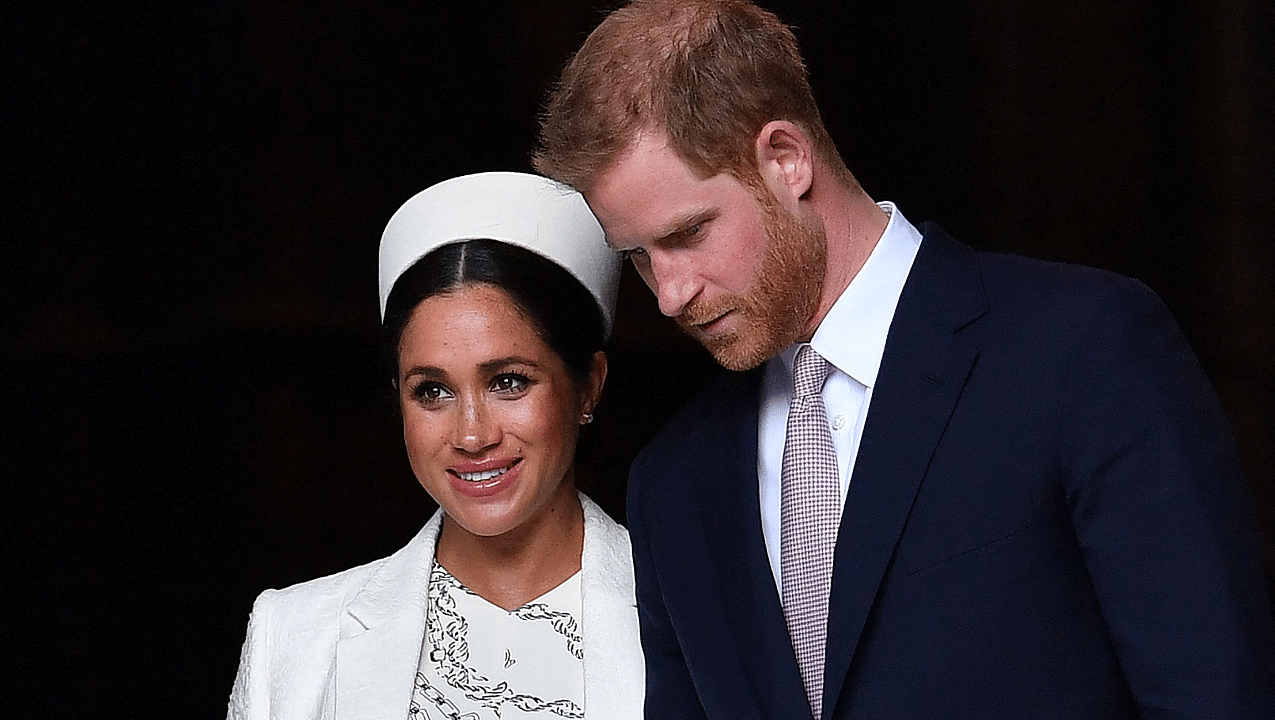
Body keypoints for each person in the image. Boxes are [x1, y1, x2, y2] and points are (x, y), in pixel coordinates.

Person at [532, 1, 1275, 718]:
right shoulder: (674, 482)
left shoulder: (1082, 352)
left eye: (689, 234)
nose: (667, 294)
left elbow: (1211, 696)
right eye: (637, 257)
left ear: (785, 158)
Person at [227, 172, 643, 720]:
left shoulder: (692, 618)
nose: (473, 435)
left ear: (589, 383)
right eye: (433, 391)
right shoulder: (295, 638)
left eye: (509, 381)